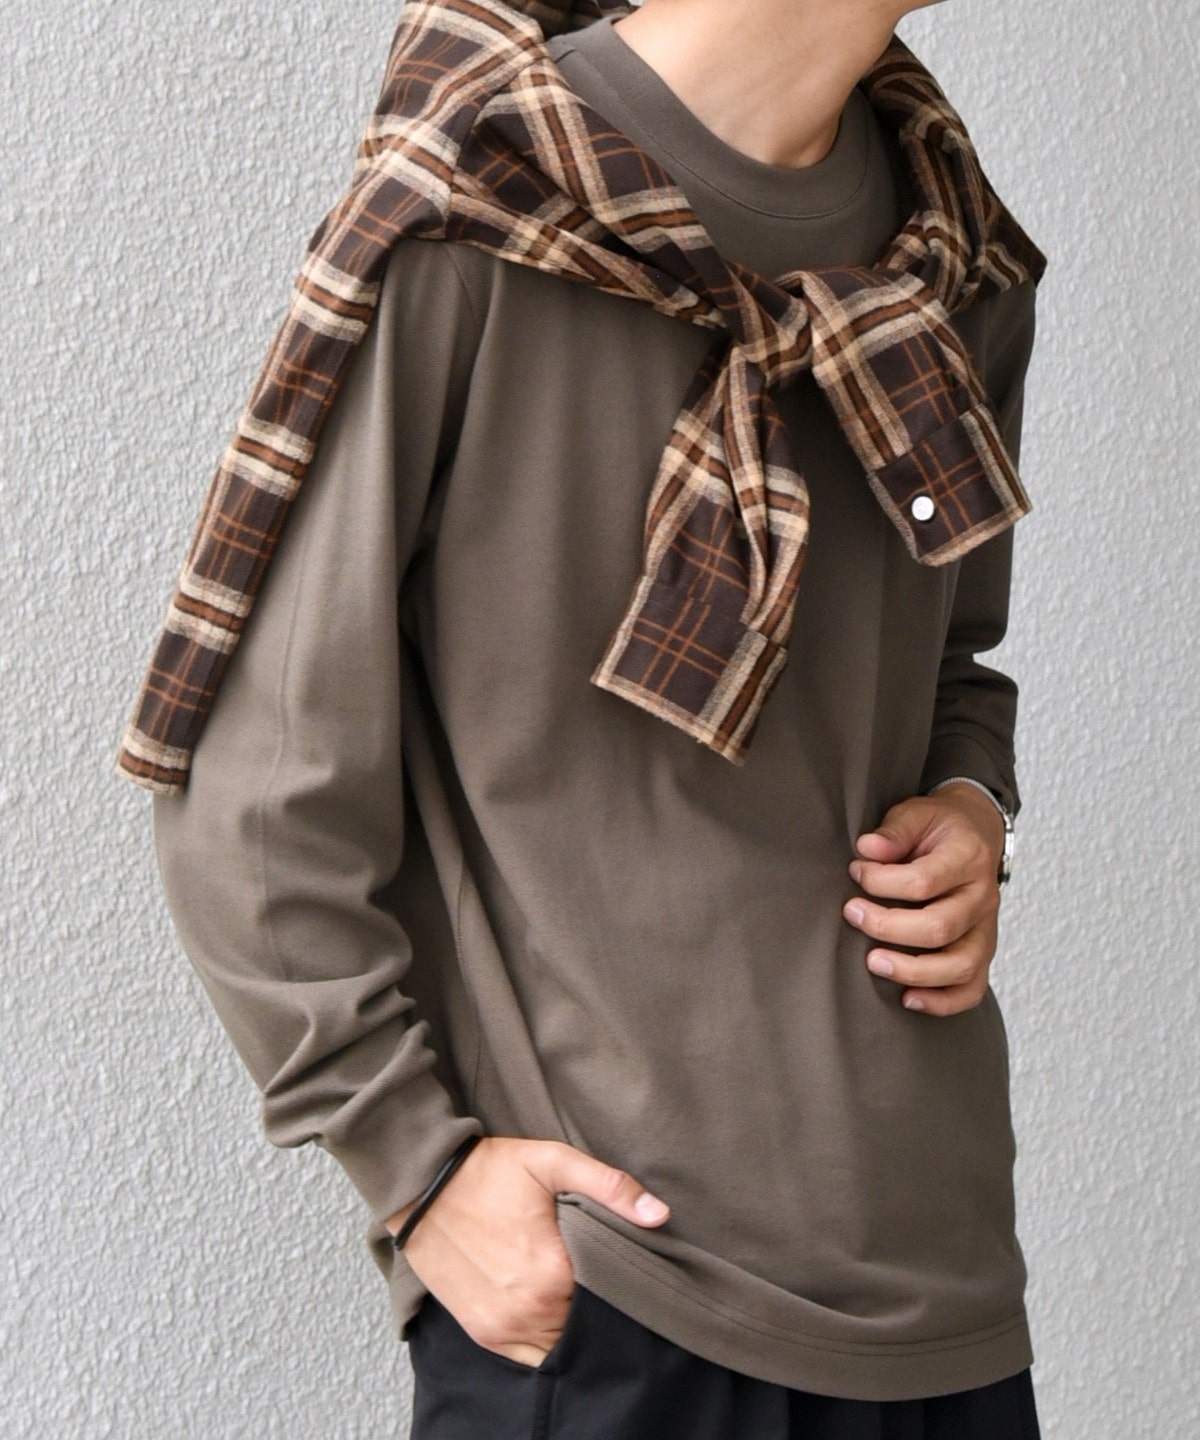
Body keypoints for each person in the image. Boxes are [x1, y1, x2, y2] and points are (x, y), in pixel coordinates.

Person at [128, 0, 1046, 1435]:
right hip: (622, 1290)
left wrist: (972, 807)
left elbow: (948, 665)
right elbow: (252, 784)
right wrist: (422, 1174)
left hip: (942, 1285)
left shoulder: (950, 254)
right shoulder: (474, 212)